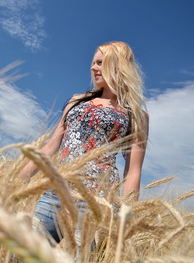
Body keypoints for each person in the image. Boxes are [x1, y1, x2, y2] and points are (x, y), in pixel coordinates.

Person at [19, 41, 149, 245]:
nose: (92, 67)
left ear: (116, 65)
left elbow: (133, 171)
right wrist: (19, 179)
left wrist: (127, 217)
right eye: (93, 62)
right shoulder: (77, 101)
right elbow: (52, 145)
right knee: (24, 252)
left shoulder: (136, 115)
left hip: (98, 200)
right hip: (57, 192)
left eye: (99, 62)